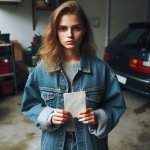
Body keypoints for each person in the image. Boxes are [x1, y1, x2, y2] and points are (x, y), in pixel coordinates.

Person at [21, 1, 126, 150]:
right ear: (55, 31)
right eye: (63, 28)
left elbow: (116, 105)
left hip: (91, 143)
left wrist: (98, 116)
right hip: (53, 143)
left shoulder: (102, 70)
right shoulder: (42, 69)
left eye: (76, 28)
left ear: (84, 31)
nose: (69, 34)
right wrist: (49, 115)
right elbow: (29, 105)